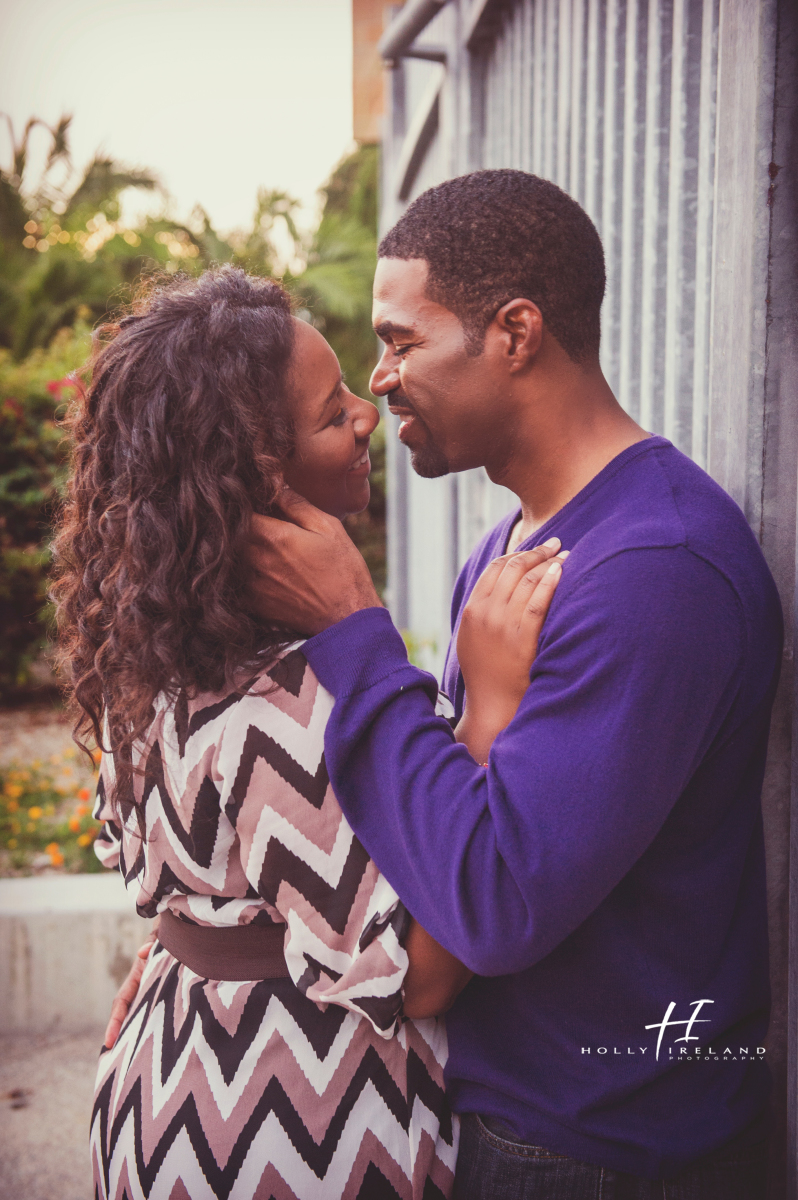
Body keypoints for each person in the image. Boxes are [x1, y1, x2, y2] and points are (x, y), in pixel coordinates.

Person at [240, 171, 783, 1198]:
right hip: (528, 1118)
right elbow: (448, 816)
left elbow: (491, 905)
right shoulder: (516, 545)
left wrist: (357, 636)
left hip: (603, 1149)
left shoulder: (654, 571)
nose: (381, 377)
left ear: (517, 333)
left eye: (403, 340)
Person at [53, 265, 565, 1200]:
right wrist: (493, 712)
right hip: (291, 1130)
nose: (367, 413)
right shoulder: (303, 701)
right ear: (262, 475)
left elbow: (213, 882)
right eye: (333, 415)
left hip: (163, 1085)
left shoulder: (152, 656)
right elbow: (422, 981)